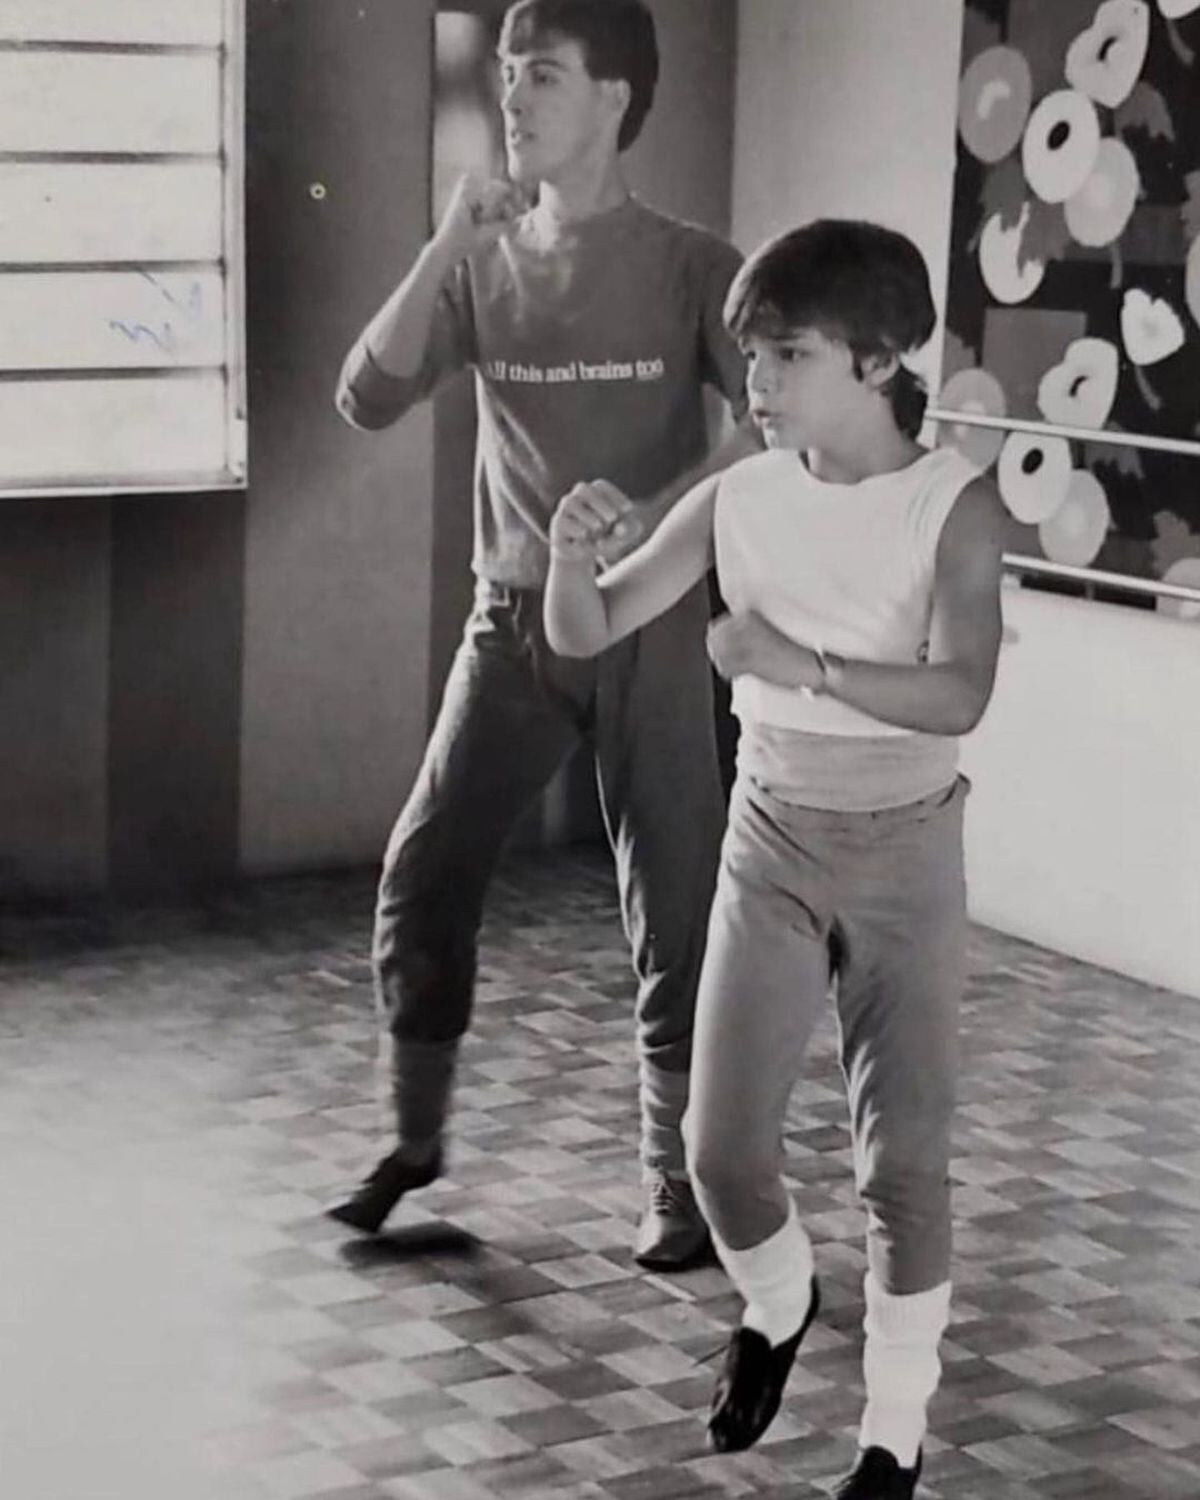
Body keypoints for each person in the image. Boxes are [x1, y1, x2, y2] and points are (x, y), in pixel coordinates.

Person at [544, 220, 1007, 1499]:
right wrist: (565, 560)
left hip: (911, 852)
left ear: (876, 361)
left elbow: (961, 692)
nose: (753, 379)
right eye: (750, 352)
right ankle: (780, 1300)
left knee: (901, 1165)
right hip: (773, 840)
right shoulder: (738, 495)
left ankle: (890, 1439)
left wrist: (798, 665)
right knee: (718, 1153)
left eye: (786, 353)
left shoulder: (953, 507)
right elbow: (592, 625)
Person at [329, 0, 757, 1269]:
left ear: (615, 96)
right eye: (509, 77)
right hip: (512, 620)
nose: (514, 101)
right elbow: (364, 397)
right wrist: (439, 246)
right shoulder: (480, 259)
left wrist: (656, 518)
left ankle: (674, 1193)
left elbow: (769, 433)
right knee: (424, 872)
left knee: (671, 915)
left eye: (545, 78)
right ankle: (414, 1147)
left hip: (656, 621)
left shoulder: (693, 264)